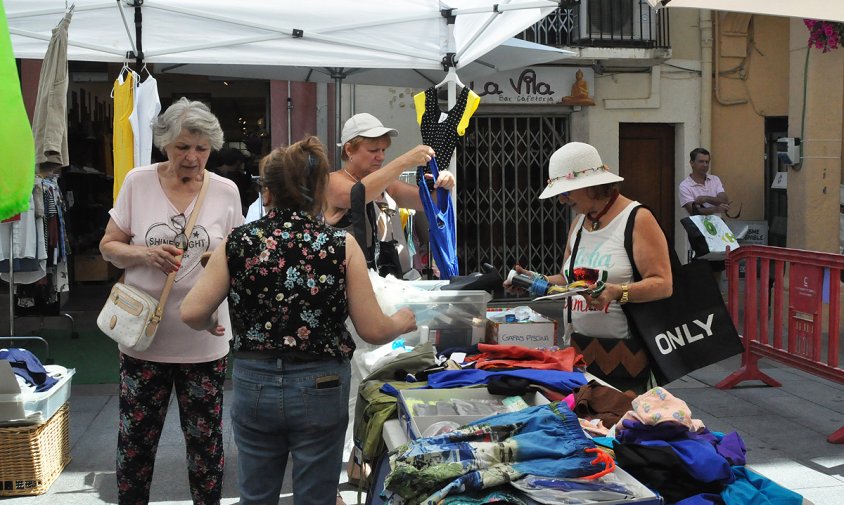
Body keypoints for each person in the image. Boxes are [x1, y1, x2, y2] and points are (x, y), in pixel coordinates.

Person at [181, 135, 417, 505]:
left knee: (256, 495)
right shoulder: (340, 244)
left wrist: (210, 321)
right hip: (321, 382)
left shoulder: (239, 242)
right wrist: (402, 321)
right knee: (316, 497)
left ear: (268, 193)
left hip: (254, 380)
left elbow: (192, 311)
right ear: (320, 190)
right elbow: (372, 328)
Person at [99, 97, 243, 505]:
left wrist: (218, 265)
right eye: (183, 147)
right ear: (165, 144)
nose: (193, 157)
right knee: (136, 442)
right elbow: (108, 246)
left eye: (201, 148)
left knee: (205, 444)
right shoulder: (137, 182)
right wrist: (145, 253)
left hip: (205, 340)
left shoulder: (226, 191)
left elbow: (238, 256)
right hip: (143, 338)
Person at [504, 142, 672, 393]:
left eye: (566, 192)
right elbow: (568, 278)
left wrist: (616, 292)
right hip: (580, 352)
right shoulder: (580, 223)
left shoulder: (637, 218)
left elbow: (663, 284)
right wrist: (533, 280)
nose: (561, 200)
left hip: (628, 356)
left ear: (591, 186)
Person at [324, 112, 455, 279]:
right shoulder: (333, 182)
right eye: (373, 150)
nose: (381, 156)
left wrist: (445, 184)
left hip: (399, 283)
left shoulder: (388, 187)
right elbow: (356, 195)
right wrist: (404, 161)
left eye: (384, 150)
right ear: (349, 149)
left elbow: (429, 203)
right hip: (360, 285)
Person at [679, 147, 730, 278]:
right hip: (698, 229)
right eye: (701, 161)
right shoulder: (685, 185)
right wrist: (716, 208)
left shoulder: (714, 180)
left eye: (707, 162)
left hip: (717, 228)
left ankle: (716, 296)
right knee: (701, 264)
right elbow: (693, 210)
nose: (705, 165)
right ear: (692, 163)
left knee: (718, 264)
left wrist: (706, 198)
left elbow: (724, 199)